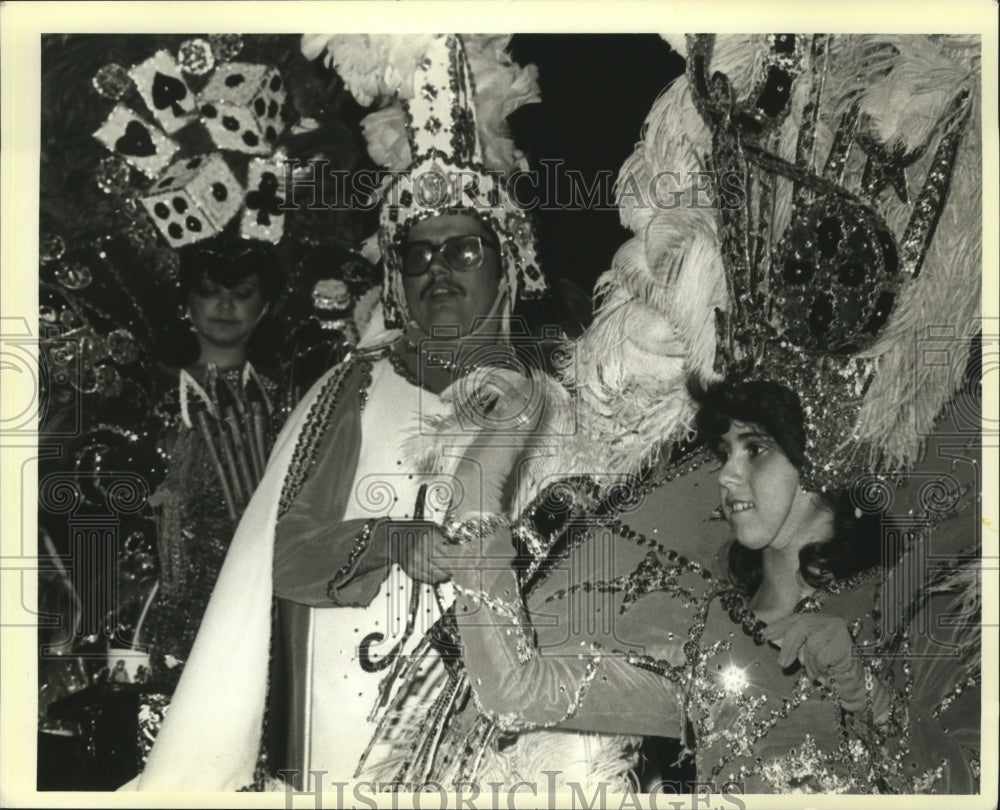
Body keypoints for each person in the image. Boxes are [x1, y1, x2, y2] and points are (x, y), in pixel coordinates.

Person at [132, 34, 547, 791]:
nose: (437, 273)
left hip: (508, 755)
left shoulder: (561, 410)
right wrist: (395, 539)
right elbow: (284, 558)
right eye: (416, 256)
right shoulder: (352, 390)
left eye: (462, 252)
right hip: (350, 747)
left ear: (506, 268)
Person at [140, 238, 284, 691]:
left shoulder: (289, 401)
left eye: (242, 294)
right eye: (209, 291)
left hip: (256, 598)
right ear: (186, 301)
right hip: (155, 597)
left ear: (265, 306)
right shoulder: (144, 394)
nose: (225, 305)